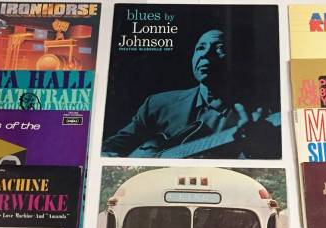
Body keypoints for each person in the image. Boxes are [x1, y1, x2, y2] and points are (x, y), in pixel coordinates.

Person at [102, 29, 280, 159]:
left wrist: (254, 147)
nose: (206, 53)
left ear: (238, 60)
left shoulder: (259, 112)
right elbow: (111, 147)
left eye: (219, 48)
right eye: (200, 48)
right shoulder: (157, 105)